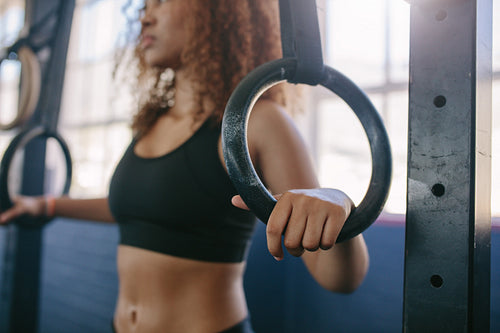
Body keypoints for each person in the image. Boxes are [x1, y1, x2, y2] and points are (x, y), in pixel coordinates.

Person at [0, 0, 369, 332]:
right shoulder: (152, 123)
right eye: (144, 6)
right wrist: (46, 205)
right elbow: (140, 209)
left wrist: (337, 206)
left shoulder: (258, 122)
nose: (145, 16)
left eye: (160, 1)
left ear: (216, 11)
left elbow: (338, 277)